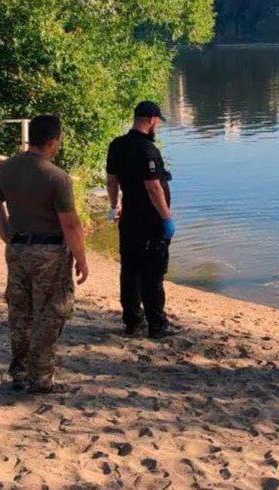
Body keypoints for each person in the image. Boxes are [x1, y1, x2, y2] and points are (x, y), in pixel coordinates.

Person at [0, 115, 88, 394]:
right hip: (50, 252)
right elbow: (70, 223)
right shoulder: (57, 177)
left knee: (20, 312)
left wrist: (7, 234)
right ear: (53, 141)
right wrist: (81, 258)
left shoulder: (6, 168)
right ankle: (41, 377)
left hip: (17, 249)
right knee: (50, 313)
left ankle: (19, 372)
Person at [106, 101, 177, 339]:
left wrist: (114, 206)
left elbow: (112, 180)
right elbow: (153, 186)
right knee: (153, 274)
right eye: (157, 121)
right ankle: (157, 326)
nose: (157, 125)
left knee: (130, 271)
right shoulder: (148, 150)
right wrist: (166, 218)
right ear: (152, 119)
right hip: (151, 222)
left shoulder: (117, 145)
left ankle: (132, 322)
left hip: (129, 220)